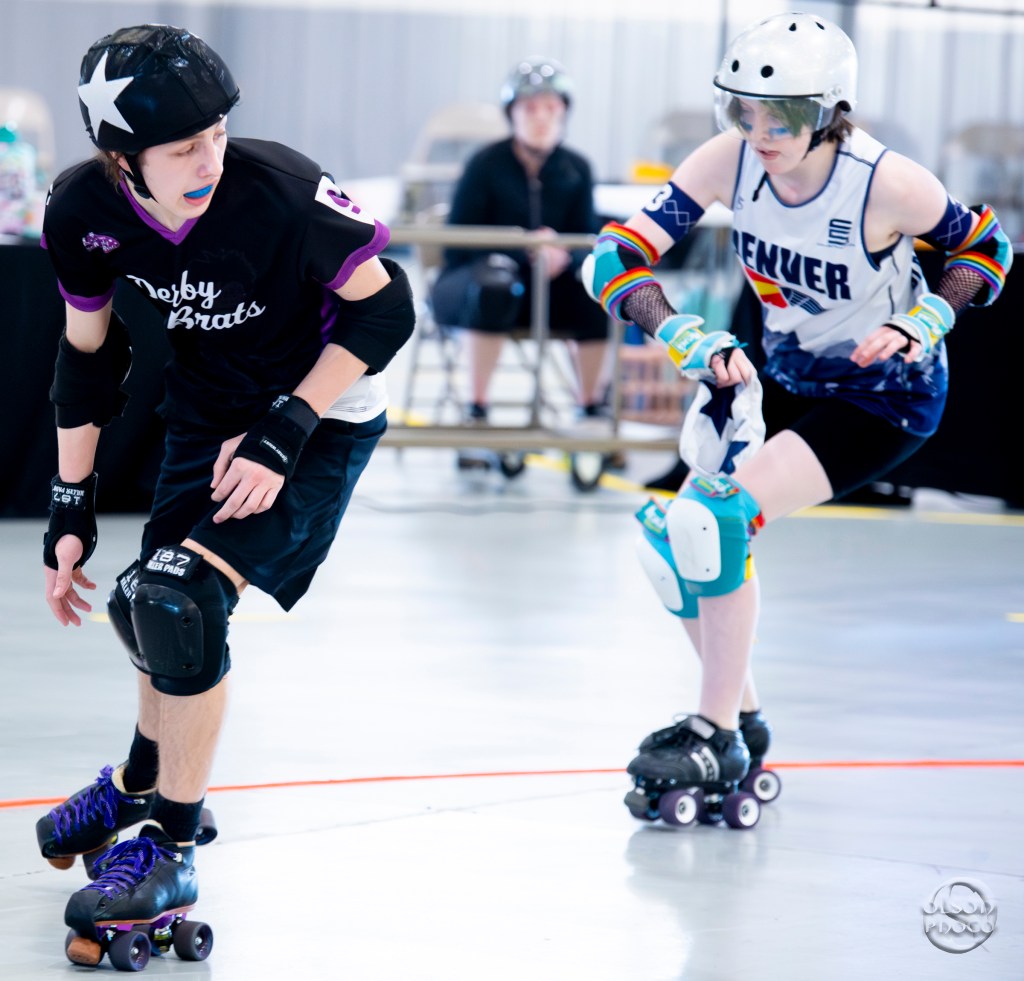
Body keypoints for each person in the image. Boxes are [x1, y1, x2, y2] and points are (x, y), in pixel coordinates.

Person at [36, 24, 414, 958]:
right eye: (181, 148)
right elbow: (89, 360)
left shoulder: (278, 189)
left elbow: (385, 308)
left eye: (215, 134)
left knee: (183, 597)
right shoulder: (81, 209)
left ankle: (170, 843)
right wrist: (71, 502)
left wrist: (286, 428)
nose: (209, 159)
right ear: (121, 159)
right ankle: (139, 779)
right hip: (208, 410)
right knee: (142, 598)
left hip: (323, 409)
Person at [583, 12, 1011, 820]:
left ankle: (714, 729)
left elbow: (988, 248)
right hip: (784, 374)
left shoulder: (886, 182)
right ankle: (740, 723)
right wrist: (677, 329)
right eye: (743, 111)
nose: (759, 133)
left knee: (718, 520)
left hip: (885, 393)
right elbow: (612, 257)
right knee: (670, 539)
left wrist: (925, 319)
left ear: (829, 114)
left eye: (779, 118)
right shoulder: (729, 160)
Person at [430, 57, 610, 424]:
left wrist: (563, 255)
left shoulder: (576, 168)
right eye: (530, 108)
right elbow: (457, 244)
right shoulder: (485, 164)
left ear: (564, 112)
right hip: (480, 287)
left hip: (548, 289)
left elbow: (586, 235)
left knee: (596, 289)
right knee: (495, 284)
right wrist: (523, 249)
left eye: (551, 108)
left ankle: (590, 408)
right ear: (512, 113)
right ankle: (477, 408)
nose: (541, 118)